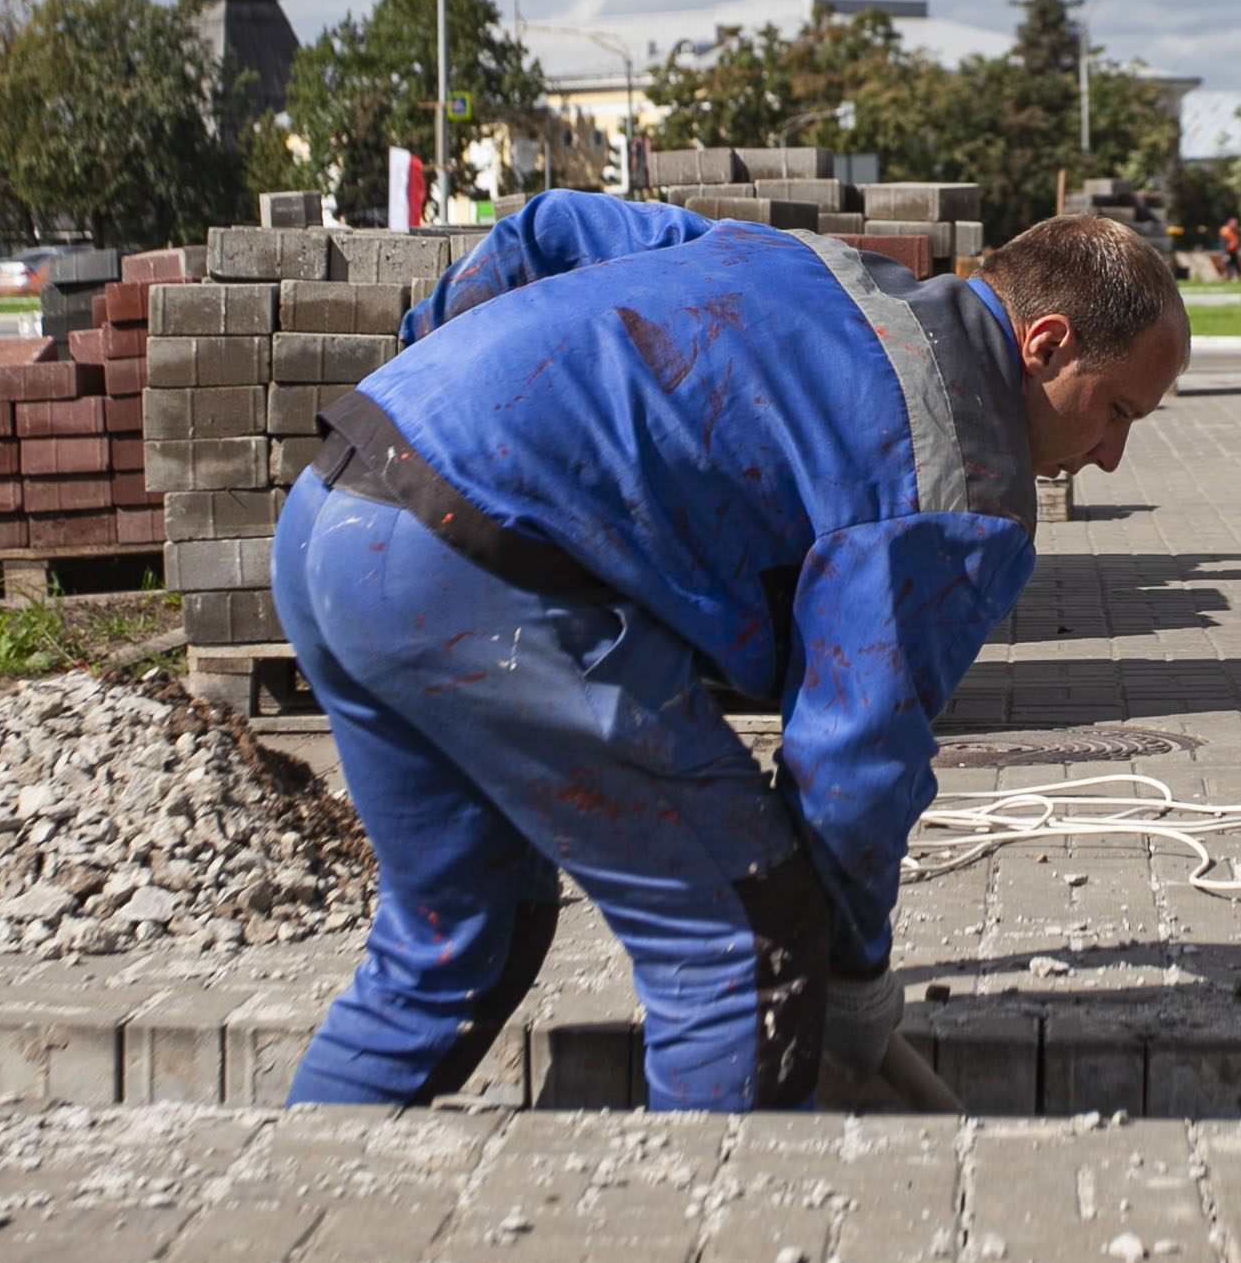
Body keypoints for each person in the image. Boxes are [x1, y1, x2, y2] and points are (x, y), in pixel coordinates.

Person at [271, 197, 1192, 1112]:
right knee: (746, 947)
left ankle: (296, 1207)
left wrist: (442, 384)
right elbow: (852, 767)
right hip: (472, 578)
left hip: (336, 502)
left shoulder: (802, 261)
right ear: (1046, 345)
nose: (1109, 455)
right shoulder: (960, 481)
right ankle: (709, 1247)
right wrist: (851, 976)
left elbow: (549, 229)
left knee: (459, 939)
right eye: (1116, 411)